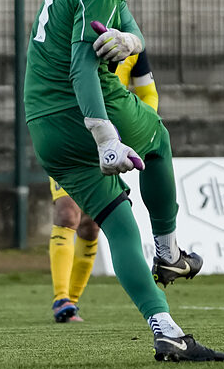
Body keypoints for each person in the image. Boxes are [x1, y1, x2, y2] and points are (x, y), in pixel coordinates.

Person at [25, 0, 224, 362]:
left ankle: (167, 332)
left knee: (118, 225)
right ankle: (170, 253)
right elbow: (81, 68)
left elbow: (133, 32)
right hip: (80, 111)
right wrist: (105, 136)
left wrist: (129, 40)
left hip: (46, 130)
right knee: (158, 138)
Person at [48, 51, 160, 324]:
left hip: (111, 144)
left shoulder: (132, 45)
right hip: (70, 138)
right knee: (67, 213)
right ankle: (61, 298)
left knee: (90, 226)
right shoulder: (75, 40)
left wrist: (141, 125)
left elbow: (149, 93)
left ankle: (72, 302)